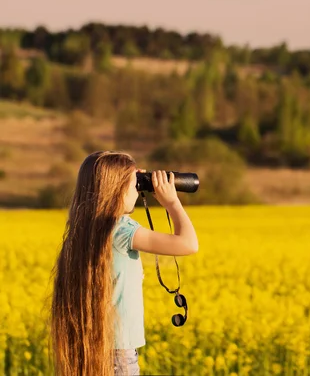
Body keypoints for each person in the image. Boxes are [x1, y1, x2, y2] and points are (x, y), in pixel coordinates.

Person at [48, 151, 198, 376]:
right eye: (134, 185)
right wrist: (172, 202)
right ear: (117, 189)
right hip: (119, 354)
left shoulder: (82, 229)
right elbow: (188, 244)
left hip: (92, 345)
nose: (137, 191)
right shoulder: (120, 229)